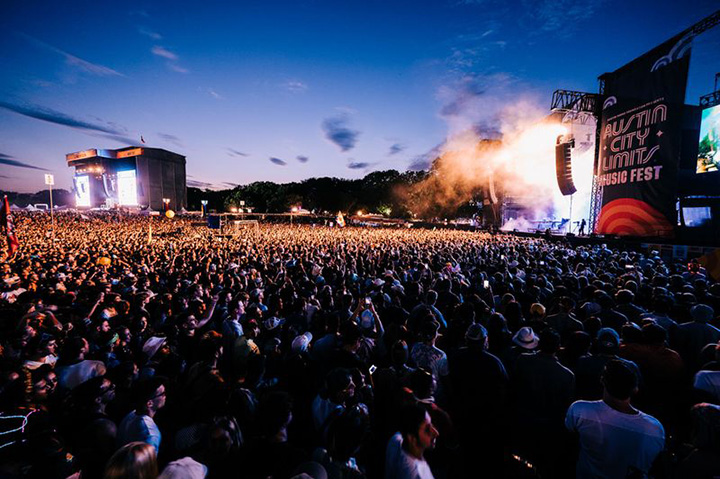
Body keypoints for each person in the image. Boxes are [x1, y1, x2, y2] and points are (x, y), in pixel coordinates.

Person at [566, 360, 665, 479]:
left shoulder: (581, 410)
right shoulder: (654, 428)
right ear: (635, 389)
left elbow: (569, 441)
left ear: (602, 380)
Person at [385, 403, 438, 479]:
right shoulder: (418, 475)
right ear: (412, 439)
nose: (436, 433)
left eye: (432, 425)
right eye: (427, 429)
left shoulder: (395, 440)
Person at [118, 377, 167, 454]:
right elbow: (147, 464)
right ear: (149, 403)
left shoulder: (130, 415)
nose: (165, 396)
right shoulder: (150, 434)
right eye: (162, 394)